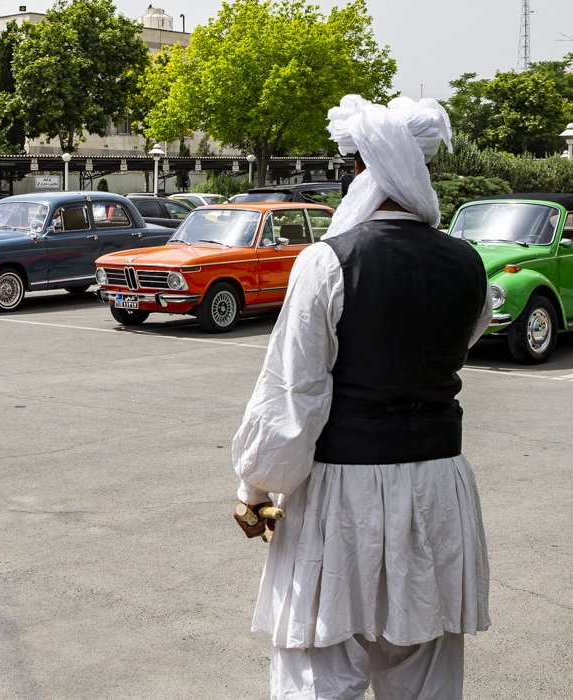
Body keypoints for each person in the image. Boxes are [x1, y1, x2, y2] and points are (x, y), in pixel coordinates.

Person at [231, 95, 492, 700]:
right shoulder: (469, 263)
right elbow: (457, 342)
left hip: (342, 494)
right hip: (437, 489)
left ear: (362, 171)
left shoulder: (328, 261)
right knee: (425, 677)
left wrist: (255, 488)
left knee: (318, 672)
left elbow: (293, 393)